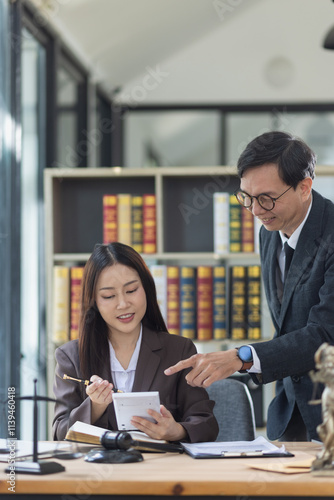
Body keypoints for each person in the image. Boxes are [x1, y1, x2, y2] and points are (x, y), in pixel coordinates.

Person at [165, 131, 334, 442]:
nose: (256, 210)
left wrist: (241, 356)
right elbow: (287, 324)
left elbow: (325, 335)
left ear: (304, 187)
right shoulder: (269, 233)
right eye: (246, 197)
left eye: (267, 198)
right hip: (290, 413)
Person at [53, 242, 218, 443]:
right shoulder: (70, 357)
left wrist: (177, 431)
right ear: (94, 301)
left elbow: (207, 424)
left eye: (131, 290)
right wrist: (94, 406)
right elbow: (59, 434)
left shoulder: (179, 350)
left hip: (160, 470)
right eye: (109, 296)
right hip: (97, 471)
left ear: (146, 289)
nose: (123, 304)